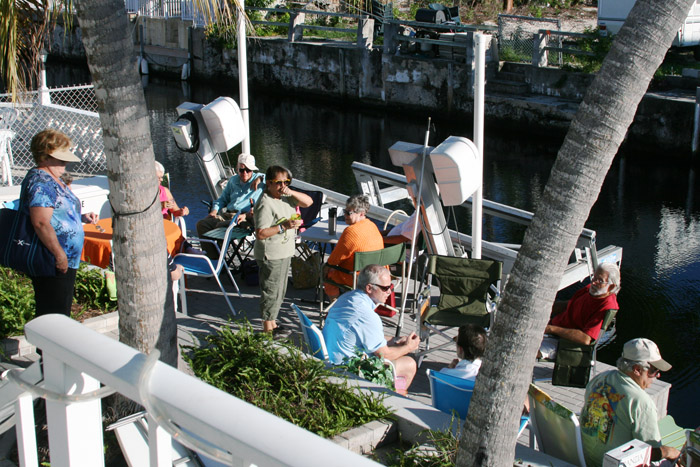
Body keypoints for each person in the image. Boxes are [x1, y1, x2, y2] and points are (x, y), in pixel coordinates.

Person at [21, 129, 98, 317]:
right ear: (45, 156)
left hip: (64, 258)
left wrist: (80, 217)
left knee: (60, 311)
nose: (65, 164)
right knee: (53, 314)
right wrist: (59, 255)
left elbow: (57, 213)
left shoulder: (52, 178)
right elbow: (40, 222)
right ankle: (47, 347)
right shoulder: (41, 182)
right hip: (51, 259)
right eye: (61, 159)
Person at [580, 338, 680, 467]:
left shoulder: (601, 378)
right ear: (637, 369)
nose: (658, 375)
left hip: (586, 458)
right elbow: (649, 452)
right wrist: (669, 451)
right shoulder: (642, 403)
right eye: (653, 370)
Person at [323, 264, 420, 395]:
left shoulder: (348, 298)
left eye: (390, 287)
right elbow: (384, 355)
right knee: (409, 364)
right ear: (369, 288)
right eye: (385, 288)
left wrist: (395, 340)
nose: (390, 292)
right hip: (348, 371)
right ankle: (392, 401)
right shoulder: (367, 315)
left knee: (400, 353)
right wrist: (408, 347)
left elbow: (365, 335)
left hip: (332, 360)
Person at [253, 165, 312, 334]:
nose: (282, 186)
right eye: (278, 183)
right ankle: (267, 329)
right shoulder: (265, 203)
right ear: (269, 183)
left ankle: (273, 324)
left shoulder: (285, 197)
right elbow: (260, 233)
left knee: (280, 291)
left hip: (285, 251)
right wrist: (284, 226)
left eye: (286, 182)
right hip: (271, 254)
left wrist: (290, 192)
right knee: (271, 291)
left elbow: (309, 202)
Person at [539, 262, 621, 359]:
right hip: (552, 328)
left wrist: (550, 329)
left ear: (611, 287)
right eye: (594, 277)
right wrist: (542, 309)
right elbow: (570, 304)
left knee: (526, 348)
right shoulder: (590, 290)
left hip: (564, 341)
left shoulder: (606, 306)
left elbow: (586, 339)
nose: (593, 282)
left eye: (600, 281)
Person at [196, 153, 265, 259]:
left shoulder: (259, 180)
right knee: (202, 225)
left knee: (220, 227)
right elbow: (222, 199)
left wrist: (260, 178)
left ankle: (220, 259)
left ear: (252, 170)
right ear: (237, 169)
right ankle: (214, 259)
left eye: (248, 170)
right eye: (241, 170)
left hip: (244, 218)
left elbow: (275, 177)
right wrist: (214, 211)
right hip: (228, 214)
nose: (244, 173)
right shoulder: (233, 180)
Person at [323, 194, 384, 299]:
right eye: (344, 211)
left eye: (348, 213)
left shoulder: (351, 231)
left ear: (361, 214)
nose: (345, 215)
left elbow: (334, 260)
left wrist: (325, 268)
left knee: (328, 271)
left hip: (358, 277)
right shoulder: (372, 225)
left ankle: (334, 305)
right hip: (376, 274)